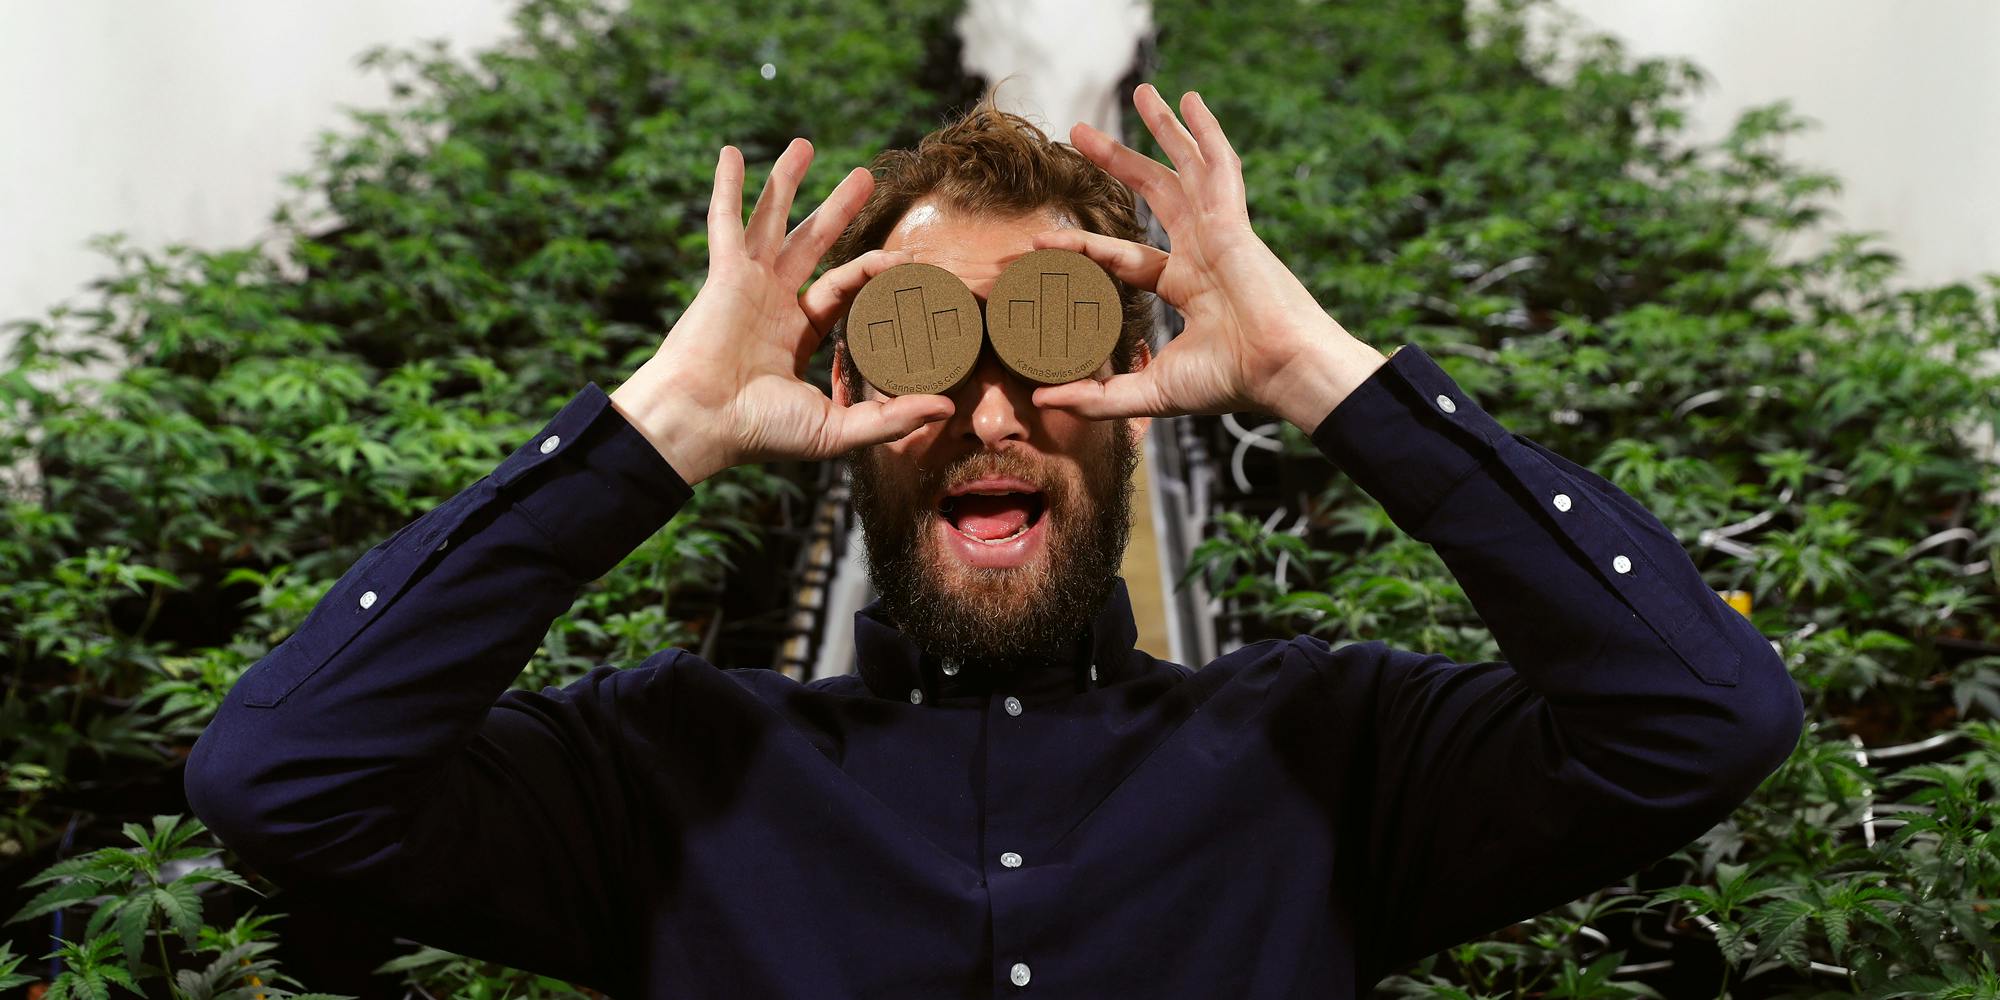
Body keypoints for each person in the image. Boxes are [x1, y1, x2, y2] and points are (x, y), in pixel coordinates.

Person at [184, 82, 1805, 998]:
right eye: (917, 348)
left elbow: (1701, 721)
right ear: (844, 394)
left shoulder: (1332, 757)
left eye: (1051, 340)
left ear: (1138, 389)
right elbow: (282, 777)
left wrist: (1322, 370)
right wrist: (666, 418)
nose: (991, 410)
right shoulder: (660, 777)